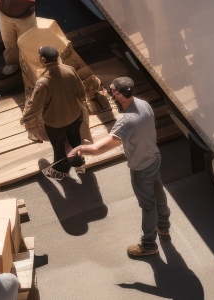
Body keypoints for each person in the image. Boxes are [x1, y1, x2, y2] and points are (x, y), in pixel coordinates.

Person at [70, 77, 169, 257]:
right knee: (159, 193)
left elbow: (100, 148)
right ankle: (164, 226)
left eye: (111, 90)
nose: (110, 92)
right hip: (154, 157)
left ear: (118, 93)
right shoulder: (143, 104)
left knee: (148, 206)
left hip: (141, 166)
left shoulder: (126, 121)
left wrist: (83, 148)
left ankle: (148, 244)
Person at [25, 46, 87, 181]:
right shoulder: (69, 70)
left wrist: (26, 118)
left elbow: (35, 105)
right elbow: (80, 93)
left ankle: (59, 171)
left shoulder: (43, 82)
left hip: (55, 122)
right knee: (75, 140)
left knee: (59, 146)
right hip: (75, 115)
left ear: (42, 60)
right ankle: (79, 164)